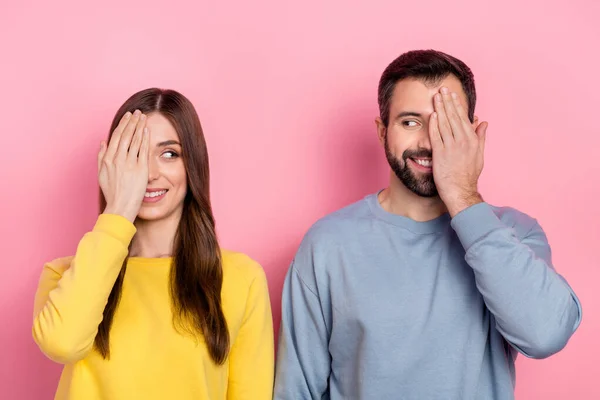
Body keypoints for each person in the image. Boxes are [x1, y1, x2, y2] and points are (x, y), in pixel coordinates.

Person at [273, 50, 582, 400]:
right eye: (410, 122)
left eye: (445, 124)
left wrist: (464, 197)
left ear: (471, 133)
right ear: (381, 131)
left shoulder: (514, 233)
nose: (427, 142)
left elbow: (546, 334)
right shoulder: (328, 245)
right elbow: (295, 391)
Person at [32, 88, 274, 400]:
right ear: (112, 167)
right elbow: (61, 343)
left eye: (169, 153)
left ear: (193, 166)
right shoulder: (64, 275)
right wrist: (118, 210)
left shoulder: (241, 278)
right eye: (133, 156)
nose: (149, 173)